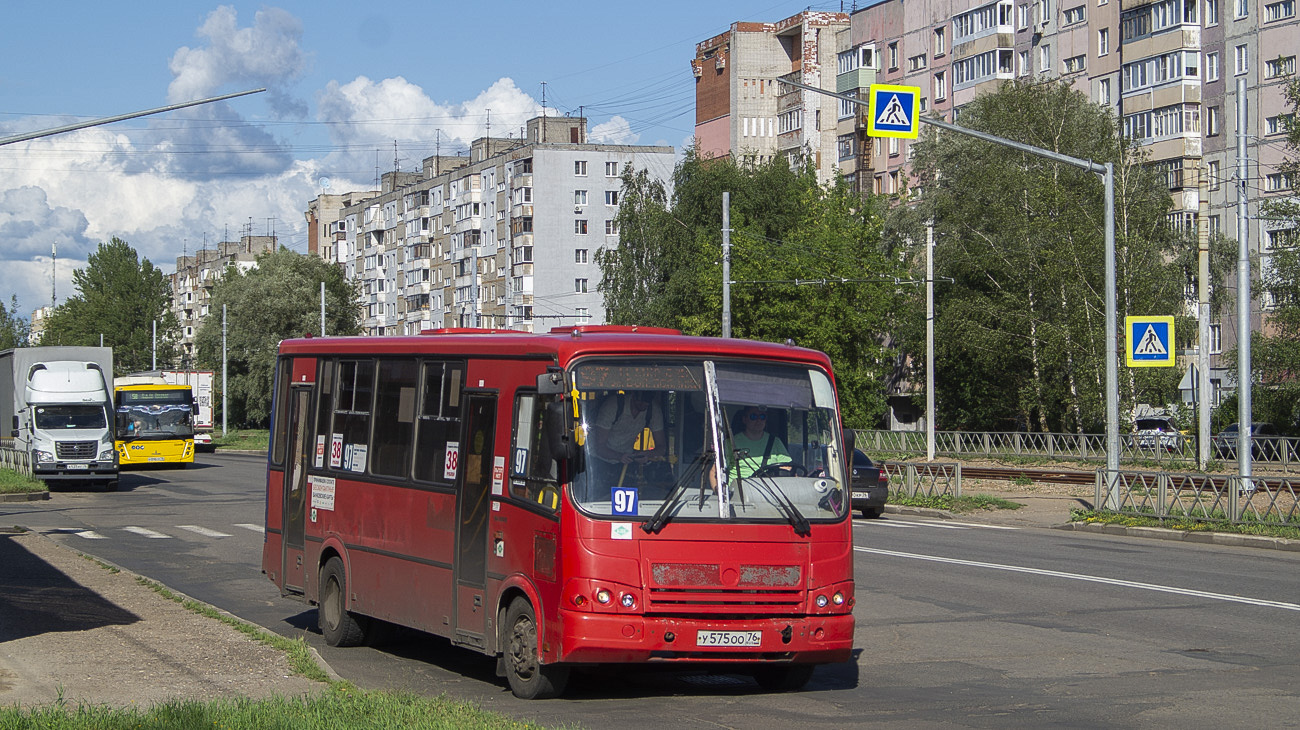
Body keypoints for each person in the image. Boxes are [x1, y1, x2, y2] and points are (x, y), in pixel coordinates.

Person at [589, 391, 665, 487]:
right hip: (597, 461)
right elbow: (599, 448)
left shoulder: (653, 410)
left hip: (625, 463)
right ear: (633, 395)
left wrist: (647, 455)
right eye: (639, 402)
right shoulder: (613, 406)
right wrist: (619, 456)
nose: (642, 405)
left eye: (646, 403)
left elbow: (662, 448)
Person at [729, 405, 792, 479]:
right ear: (744, 419)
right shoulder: (731, 442)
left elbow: (788, 468)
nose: (759, 420)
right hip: (740, 485)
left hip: (770, 485)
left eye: (762, 417)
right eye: (753, 417)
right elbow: (717, 470)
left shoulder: (775, 442)